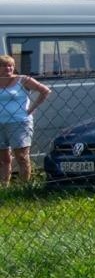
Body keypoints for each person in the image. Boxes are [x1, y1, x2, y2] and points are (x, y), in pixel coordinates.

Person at [0, 54, 51, 187]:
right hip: (0, 123)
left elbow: (45, 91)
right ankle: (4, 186)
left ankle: (24, 187)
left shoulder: (22, 80)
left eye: (10, 65)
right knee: (3, 159)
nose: (8, 68)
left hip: (19, 122)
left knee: (21, 156)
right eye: (4, 66)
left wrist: (32, 108)